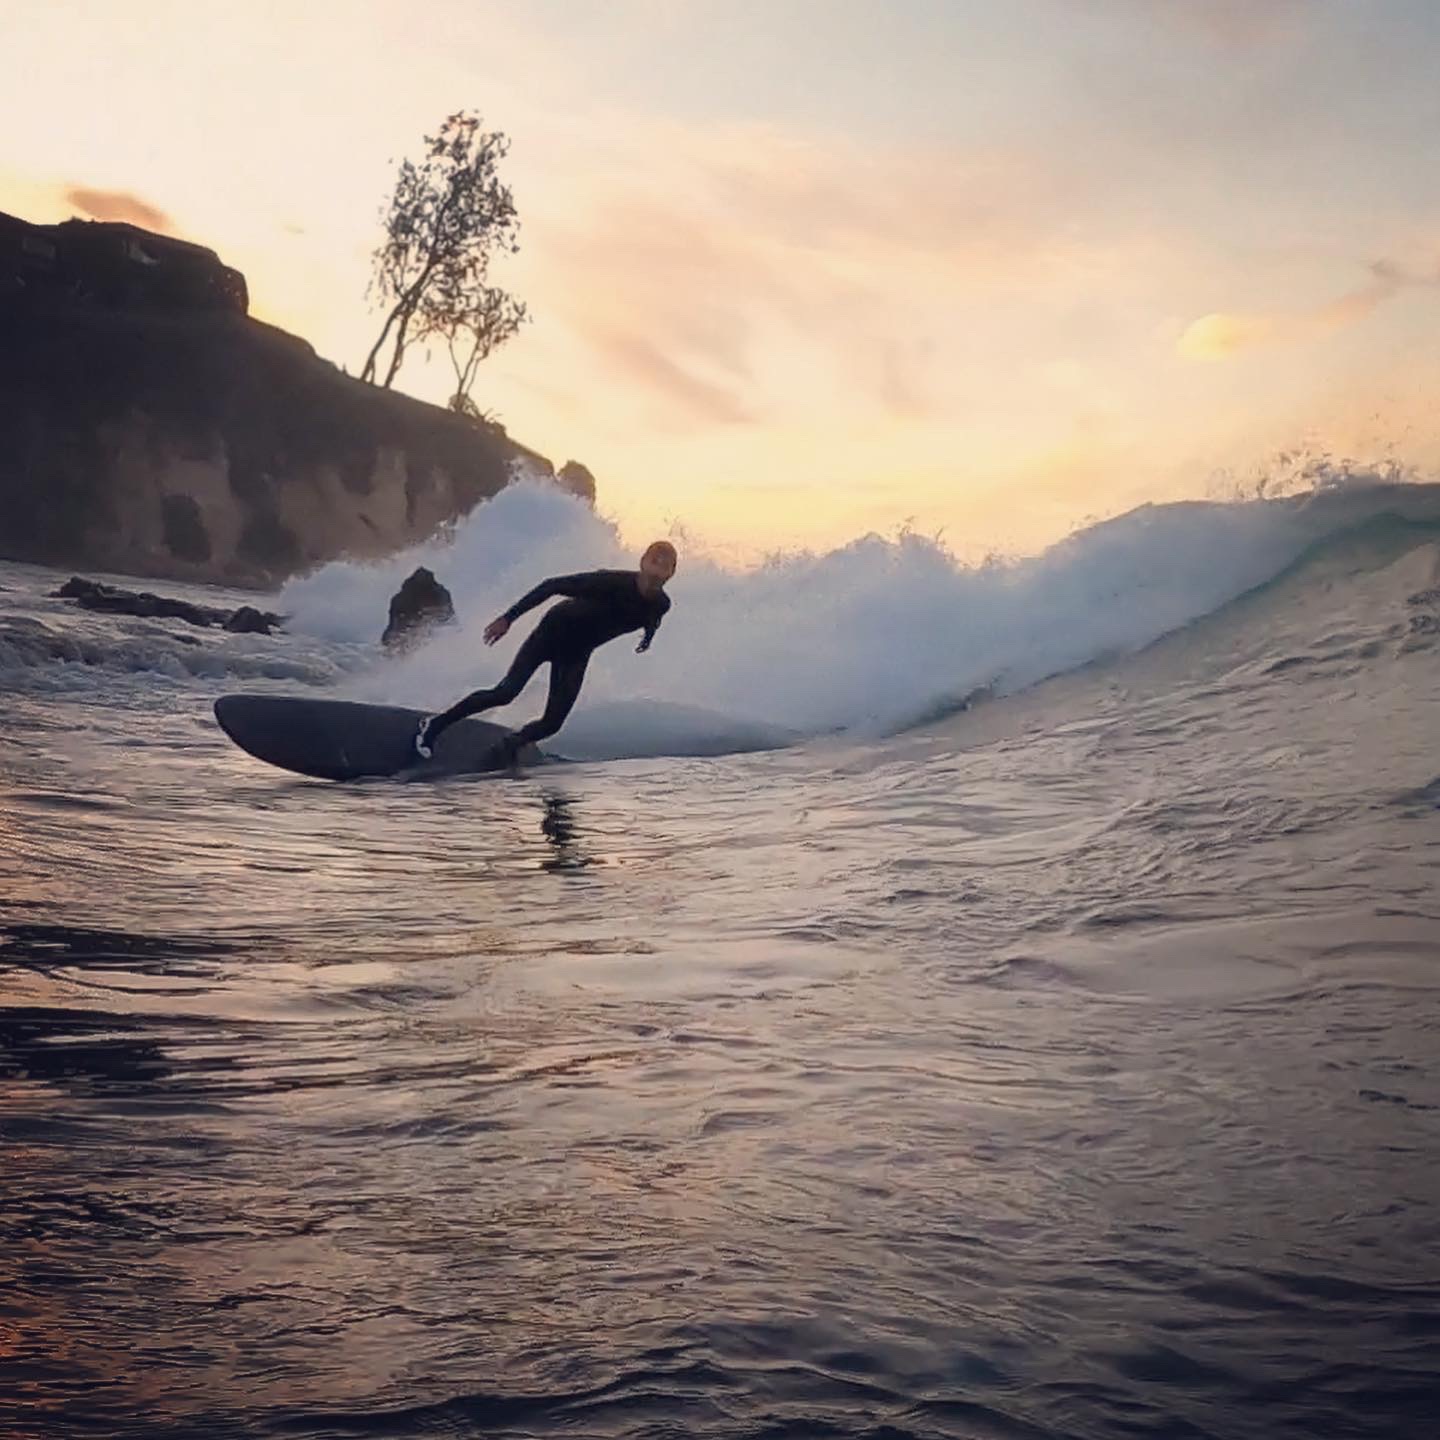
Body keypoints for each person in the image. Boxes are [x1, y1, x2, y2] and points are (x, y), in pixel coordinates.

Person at [415, 540, 677, 763]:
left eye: (664, 566)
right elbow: (551, 585)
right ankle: (434, 726)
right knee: (506, 692)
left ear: (671, 574)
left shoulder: (661, 605)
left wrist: (647, 638)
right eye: (654, 562)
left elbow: (651, 619)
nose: (657, 571)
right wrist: (508, 619)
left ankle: (509, 747)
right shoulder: (610, 582)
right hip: (550, 634)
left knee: (552, 724)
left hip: (577, 651)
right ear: (643, 562)